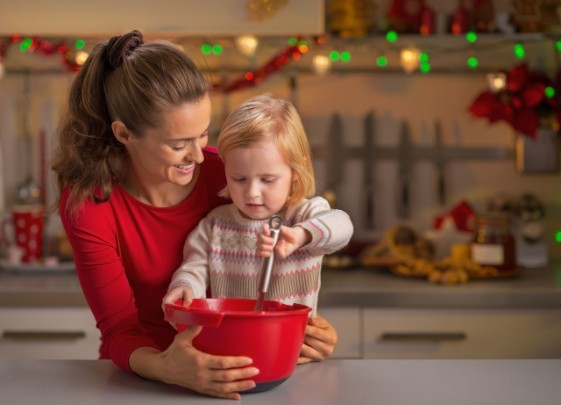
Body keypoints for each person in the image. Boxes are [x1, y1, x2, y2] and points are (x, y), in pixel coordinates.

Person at [51, 30, 340, 401]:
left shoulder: (230, 176)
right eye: (178, 144)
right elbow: (120, 330)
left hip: (242, 372)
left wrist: (309, 329)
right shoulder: (88, 204)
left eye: (203, 135)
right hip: (142, 382)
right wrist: (167, 367)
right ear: (124, 133)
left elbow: (288, 249)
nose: (200, 156)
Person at [163, 94, 353, 320]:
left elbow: (342, 225)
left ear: (295, 169)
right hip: (232, 344)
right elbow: (193, 269)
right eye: (239, 179)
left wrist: (301, 235)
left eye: (267, 179)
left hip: (291, 347)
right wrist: (184, 287)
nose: (252, 192)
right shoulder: (215, 225)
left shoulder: (304, 216)